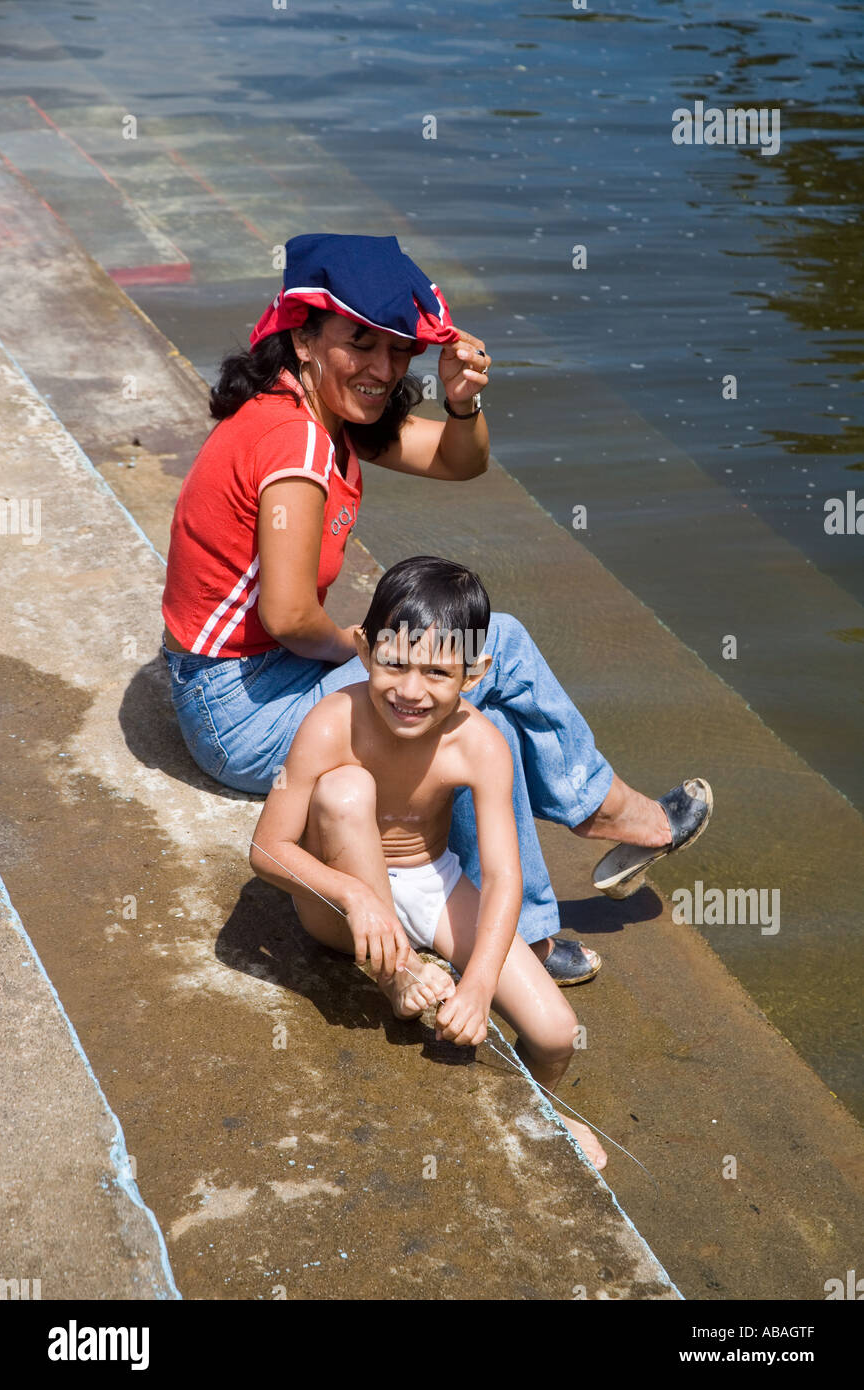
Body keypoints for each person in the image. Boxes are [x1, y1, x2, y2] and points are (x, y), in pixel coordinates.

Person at [161, 232, 711, 987]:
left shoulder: (320, 411)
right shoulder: (296, 445)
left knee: (485, 712)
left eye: (399, 351)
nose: (384, 370)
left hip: (251, 680)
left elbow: (461, 459)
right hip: (238, 711)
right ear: (304, 335)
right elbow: (290, 616)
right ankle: (596, 827)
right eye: (361, 343)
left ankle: (532, 919)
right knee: (490, 650)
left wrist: (464, 400)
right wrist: (365, 646)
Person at [249, 557, 608, 1170]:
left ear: (474, 674)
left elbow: (501, 876)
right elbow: (266, 849)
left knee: (553, 1033)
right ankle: (398, 976)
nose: (410, 690)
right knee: (345, 792)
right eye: (394, 662)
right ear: (364, 651)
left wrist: (476, 986)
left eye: (437, 672)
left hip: (429, 879)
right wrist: (356, 896)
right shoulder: (332, 722)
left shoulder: (480, 743)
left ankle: (542, 1111)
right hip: (338, 901)